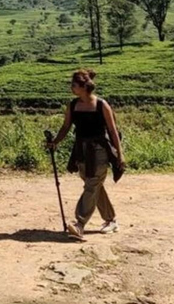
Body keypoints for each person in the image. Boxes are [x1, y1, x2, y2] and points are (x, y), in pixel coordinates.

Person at [46, 69, 125, 240]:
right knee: (94, 185)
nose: (71, 88)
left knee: (93, 184)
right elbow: (66, 126)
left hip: (99, 151)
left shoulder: (101, 105)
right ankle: (111, 220)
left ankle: (79, 223)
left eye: (74, 85)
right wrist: (55, 141)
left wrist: (120, 154)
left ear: (83, 86)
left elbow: (112, 131)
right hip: (81, 150)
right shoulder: (73, 105)